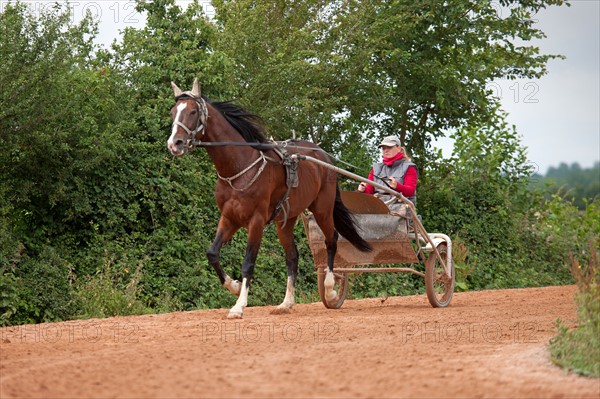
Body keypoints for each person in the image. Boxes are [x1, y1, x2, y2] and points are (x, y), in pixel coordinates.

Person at [357, 135, 418, 216]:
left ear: (399, 148)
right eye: (383, 148)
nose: (386, 150)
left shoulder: (409, 167)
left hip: (401, 211)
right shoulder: (376, 168)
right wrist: (363, 190)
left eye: (389, 147)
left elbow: (410, 191)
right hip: (377, 210)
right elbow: (369, 191)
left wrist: (397, 186)